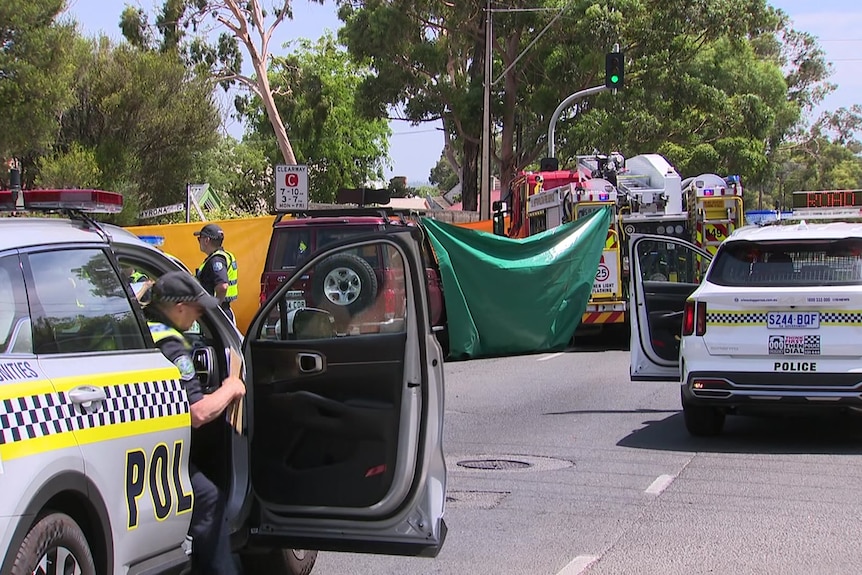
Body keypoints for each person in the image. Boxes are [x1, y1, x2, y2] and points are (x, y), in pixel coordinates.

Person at [144, 271, 245, 575]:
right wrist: (231, 387)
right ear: (179, 308)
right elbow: (197, 413)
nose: (200, 315)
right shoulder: (172, 347)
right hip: (156, 449)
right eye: (197, 309)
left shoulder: (143, 327)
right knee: (208, 500)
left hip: (132, 436)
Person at [194, 223, 238, 323]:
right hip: (224, 311)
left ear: (206, 240)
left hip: (219, 314)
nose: (199, 241)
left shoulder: (216, 260)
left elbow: (223, 286)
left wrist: (215, 309)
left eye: (199, 238)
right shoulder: (225, 256)